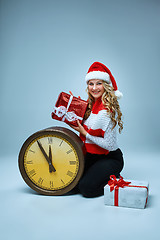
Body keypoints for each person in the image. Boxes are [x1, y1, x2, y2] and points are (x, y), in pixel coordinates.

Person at [69, 61, 124, 198]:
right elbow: (82, 126)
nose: (94, 88)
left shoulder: (108, 111)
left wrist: (85, 133)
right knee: (71, 185)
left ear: (105, 85)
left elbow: (110, 145)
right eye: (90, 84)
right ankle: (99, 174)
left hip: (109, 157)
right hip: (91, 156)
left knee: (86, 189)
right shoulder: (90, 105)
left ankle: (114, 176)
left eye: (98, 83)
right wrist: (73, 107)